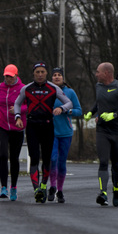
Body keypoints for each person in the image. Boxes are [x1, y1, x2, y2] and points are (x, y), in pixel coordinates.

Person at [13, 62, 74, 203]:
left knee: (47, 159)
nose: (40, 75)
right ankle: (36, 190)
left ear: (46, 73)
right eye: (37, 72)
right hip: (32, 126)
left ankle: (43, 186)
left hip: (48, 125)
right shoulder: (27, 88)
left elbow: (69, 102)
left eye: (42, 72)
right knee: (34, 158)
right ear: (33, 73)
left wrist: (62, 109)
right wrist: (17, 117)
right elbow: (17, 103)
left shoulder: (53, 88)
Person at [83, 62, 118, 206]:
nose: (96, 74)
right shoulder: (98, 86)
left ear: (106, 73)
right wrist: (90, 112)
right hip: (102, 131)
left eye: (98, 71)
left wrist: (114, 115)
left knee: (117, 164)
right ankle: (103, 193)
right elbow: (98, 102)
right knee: (103, 162)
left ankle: (117, 191)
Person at [0, 64, 26, 200]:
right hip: (1, 125)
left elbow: (29, 105)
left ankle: (14, 187)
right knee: (3, 155)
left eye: (11, 76)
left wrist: (18, 110)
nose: (8, 79)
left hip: (17, 126)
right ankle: (3, 187)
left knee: (14, 158)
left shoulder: (23, 89)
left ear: (16, 75)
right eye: (6, 76)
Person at [49, 67, 82, 203]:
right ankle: (52, 187)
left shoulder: (70, 92)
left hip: (66, 133)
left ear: (63, 78)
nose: (57, 77)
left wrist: (66, 111)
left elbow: (79, 111)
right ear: (51, 78)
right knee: (52, 159)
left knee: (61, 162)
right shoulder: (48, 91)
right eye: (54, 75)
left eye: (59, 75)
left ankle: (60, 191)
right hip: (51, 132)